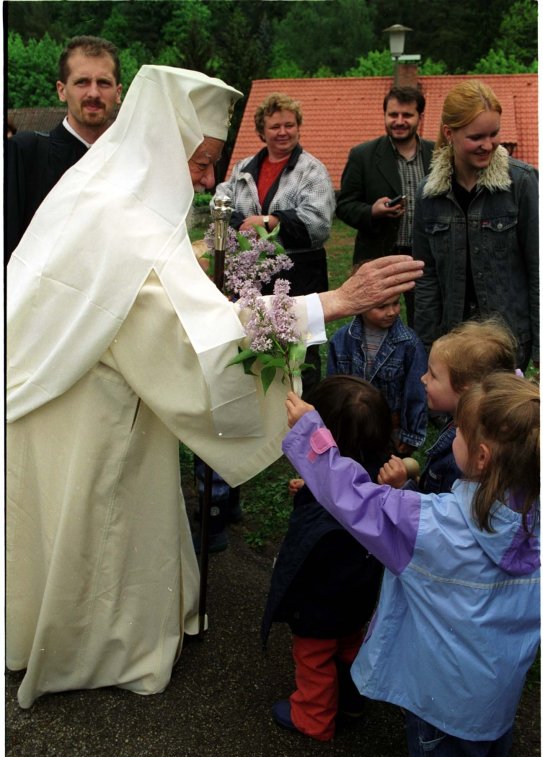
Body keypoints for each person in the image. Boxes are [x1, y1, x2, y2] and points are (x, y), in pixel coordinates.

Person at [6, 65, 424, 709]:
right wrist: (332, 301)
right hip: (93, 416)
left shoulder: (102, 192)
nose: (207, 182)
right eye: (200, 164)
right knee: (101, 526)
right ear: (165, 146)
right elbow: (196, 337)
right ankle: (96, 645)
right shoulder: (123, 219)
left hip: (72, 400)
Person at [282, 372, 539, 757]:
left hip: (442, 701)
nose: (451, 431)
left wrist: (313, 434)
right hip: (498, 696)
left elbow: (354, 500)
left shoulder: (430, 525)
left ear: (481, 457)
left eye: (458, 429)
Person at [262, 376, 392, 741]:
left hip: (319, 606)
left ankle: (313, 718)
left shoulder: (326, 514)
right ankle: (351, 700)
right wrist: (312, 481)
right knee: (349, 647)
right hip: (358, 600)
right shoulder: (378, 479)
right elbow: (343, 482)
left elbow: (305, 556)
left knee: (314, 658)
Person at [412, 79, 539, 372]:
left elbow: (537, 270)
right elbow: (426, 278)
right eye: (476, 137)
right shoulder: (429, 194)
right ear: (449, 133)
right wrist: (427, 345)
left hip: (508, 343)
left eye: (494, 134)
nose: (488, 145)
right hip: (454, 343)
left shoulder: (520, 184)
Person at [214, 91, 336, 395]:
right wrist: (242, 226)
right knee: (254, 345)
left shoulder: (312, 169)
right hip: (252, 278)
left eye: (289, 125)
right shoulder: (243, 168)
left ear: (298, 127)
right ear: (261, 131)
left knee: (299, 353)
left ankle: (303, 414)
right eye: (275, 126)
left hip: (300, 278)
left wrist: (269, 222)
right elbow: (221, 203)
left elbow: (319, 223)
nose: (283, 132)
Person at [5, 34, 122, 263]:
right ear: (61, 90)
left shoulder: (132, 162)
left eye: (104, 83)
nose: (94, 93)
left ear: (118, 93)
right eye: (82, 82)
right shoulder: (25, 153)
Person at [378, 318, 518, 494]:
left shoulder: (464, 460)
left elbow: (442, 516)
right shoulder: (464, 422)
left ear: (465, 390)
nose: (423, 378)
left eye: (433, 375)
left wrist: (403, 488)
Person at [336, 86, 434, 327]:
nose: (399, 121)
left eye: (407, 115)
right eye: (393, 115)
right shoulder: (363, 155)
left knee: (424, 325)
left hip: (426, 258)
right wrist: (372, 211)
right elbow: (344, 205)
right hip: (380, 257)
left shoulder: (438, 154)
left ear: (420, 118)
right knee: (377, 328)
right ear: (385, 116)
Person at [327, 274, 427, 456]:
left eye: (396, 303)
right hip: (351, 428)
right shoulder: (341, 340)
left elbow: (415, 393)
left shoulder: (409, 344)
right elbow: (333, 388)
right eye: (381, 306)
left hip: (390, 432)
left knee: (384, 474)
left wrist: (411, 434)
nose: (391, 312)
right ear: (361, 305)